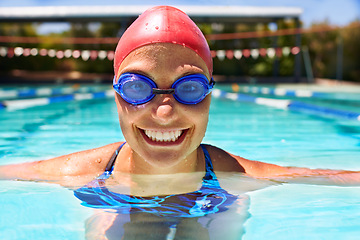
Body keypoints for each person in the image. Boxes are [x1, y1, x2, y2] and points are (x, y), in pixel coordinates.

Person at [1, 5, 359, 240]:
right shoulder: (85, 170)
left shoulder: (233, 173)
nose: (164, 112)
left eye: (189, 87)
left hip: (214, 200)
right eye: (138, 87)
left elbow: (325, 176)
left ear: (209, 96)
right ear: (115, 96)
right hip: (112, 199)